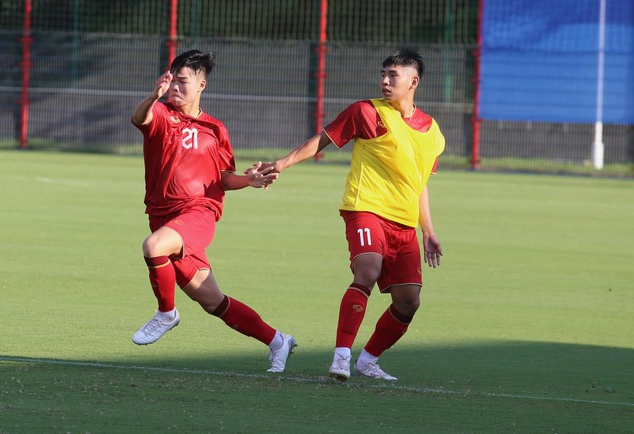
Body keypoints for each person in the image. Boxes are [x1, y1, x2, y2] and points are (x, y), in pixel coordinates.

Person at [262, 49, 444, 381]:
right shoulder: (366, 112)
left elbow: (419, 185)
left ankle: (367, 360)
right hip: (365, 210)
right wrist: (281, 164)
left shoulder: (433, 133)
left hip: (404, 225)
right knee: (368, 270)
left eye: (393, 75)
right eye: (383, 74)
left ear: (413, 81)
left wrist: (428, 231)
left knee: (408, 303)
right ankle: (342, 356)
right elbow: (322, 140)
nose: (385, 81)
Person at [130, 49, 296, 373]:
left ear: (202, 84)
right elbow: (140, 118)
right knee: (212, 301)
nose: (175, 86)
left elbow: (223, 178)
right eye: (172, 80)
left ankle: (166, 313)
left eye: (183, 81)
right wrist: (153, 96)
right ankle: (278, 340)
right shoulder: (162, 114)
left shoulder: (216, 129)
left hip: (198, 214)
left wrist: (249, 180)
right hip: (164, 219)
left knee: (153, 247)